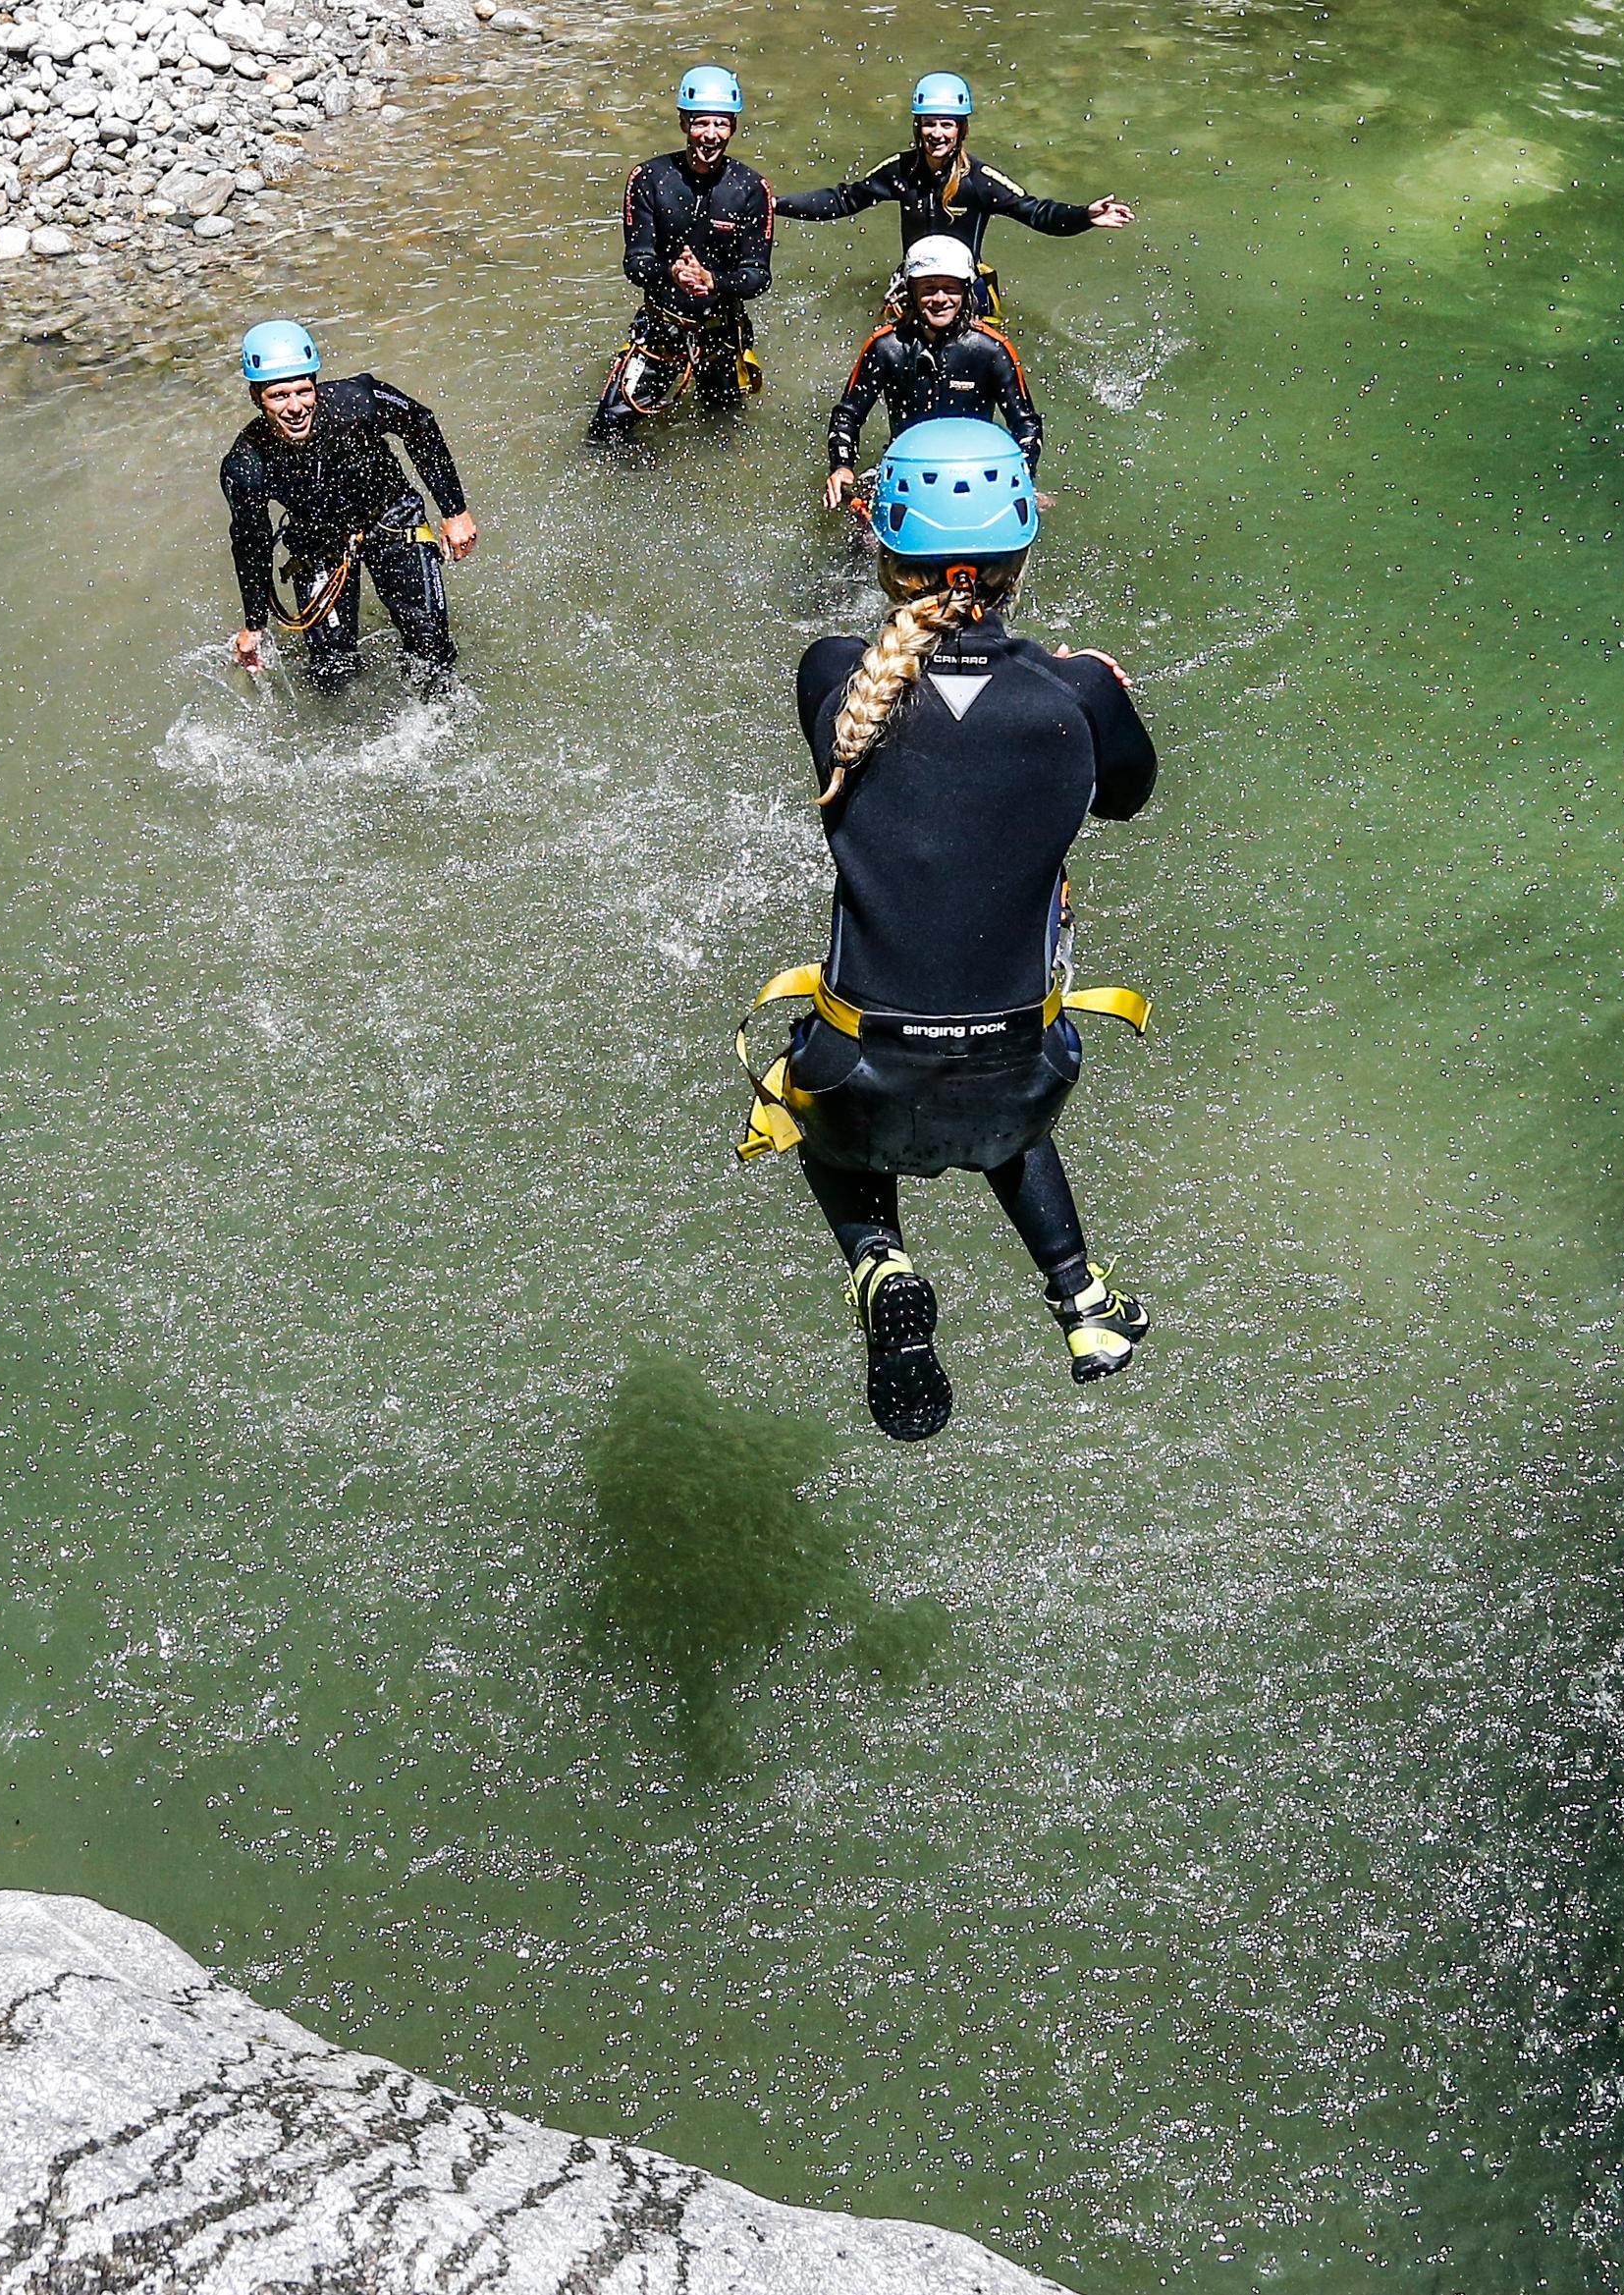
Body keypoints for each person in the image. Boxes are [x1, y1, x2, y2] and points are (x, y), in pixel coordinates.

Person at [746, 417, 1156, 1442]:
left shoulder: (834, 676)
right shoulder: (1078, 693)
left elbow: (908, 728)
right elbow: (1129, 795)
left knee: (823, 1099)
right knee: (999, 1083)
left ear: (886, 551)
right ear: (1023, 549)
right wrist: (1100, 686)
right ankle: (1081, 1305)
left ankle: (881, 1264)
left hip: (860, 1075)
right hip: (1023, 1076)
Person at [219, 319, 479, 692]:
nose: (295, 407)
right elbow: (251, 542)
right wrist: (254, 624)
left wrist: (455, 512)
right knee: (331, 669)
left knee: (431, 645)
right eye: (279, 396)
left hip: (391, 517)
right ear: (256, 397)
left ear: (315, 386)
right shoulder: (246, 465)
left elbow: (420, 424)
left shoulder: (357, 401)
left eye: (303, 391)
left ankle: (441, 719)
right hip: (318, 540)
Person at [773, 71, 1131, 319]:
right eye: (930, 123)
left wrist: (1085, 216)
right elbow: (844, 198)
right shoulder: (901, 171)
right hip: (914, 284)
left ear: (961, 130)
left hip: (965, 288)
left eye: (947, 124)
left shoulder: (979, 180)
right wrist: (776, 205)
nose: (938, 134)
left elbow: (1035, 211)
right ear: (918, 126)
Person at [589, 65, 777, 444]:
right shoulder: (649, 179)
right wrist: (670, 274)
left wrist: (714, 281)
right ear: (682, 122)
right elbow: (636, 262)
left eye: (721, 124)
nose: (710, 135)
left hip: (721, 333)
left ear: (733, 128)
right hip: (661, 326)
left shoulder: (751, 188)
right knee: (605, 433)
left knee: (723, 433)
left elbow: (758, 275)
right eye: (700, 123)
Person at [822, 235, 1041, 513]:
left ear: (966, 292)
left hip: (976, 472)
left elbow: (1026, 424)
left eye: (950, 289)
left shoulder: (991, 350)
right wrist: (842, 467)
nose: (940, 299)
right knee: (861, 532)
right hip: (906, 472)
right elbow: (848, 414)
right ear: (911, 292)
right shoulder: (886, 347)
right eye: (929, 288)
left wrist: (1024, 475)